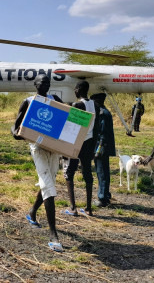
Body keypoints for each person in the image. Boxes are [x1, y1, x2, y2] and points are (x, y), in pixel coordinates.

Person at [12, 74, 64, 252]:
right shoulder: (28, 101)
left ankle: (32, 212)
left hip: (53, 148)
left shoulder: (55, 99)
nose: (46, 85)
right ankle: (53, 235)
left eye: (48, 83)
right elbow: (15, 126)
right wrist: (17, 133)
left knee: (48, 184)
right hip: (37, 148)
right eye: (42, 82)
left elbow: (63, 118)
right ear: (35, 84)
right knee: (49, 186)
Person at [63, 81, 99, 217]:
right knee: (87, 174)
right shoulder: (94, 104)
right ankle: (89, 209)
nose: (74, 91)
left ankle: (73, 208)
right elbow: (96, 128)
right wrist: (94, 147)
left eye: (75, 89)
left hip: (76, 142)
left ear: (78, 89)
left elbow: (72, 127)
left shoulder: (78, 105)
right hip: (89, 142)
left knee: (69, 172)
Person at [90, 93, 115, 207]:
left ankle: (102, 198)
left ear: (98, 101)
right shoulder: (104, 112)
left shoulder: (102, 113)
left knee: (102, 172)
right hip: (103, 147)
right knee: (103, 171)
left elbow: (103, 134)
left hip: (102, 147)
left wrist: (98, 150)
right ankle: (106, 195)